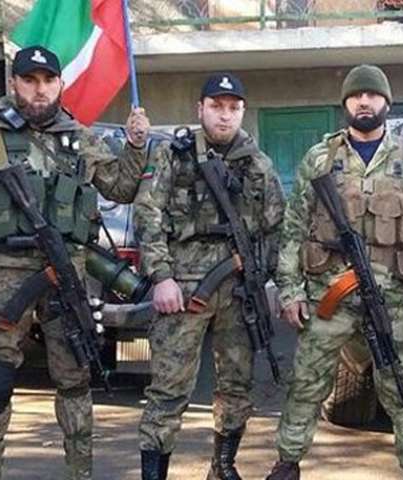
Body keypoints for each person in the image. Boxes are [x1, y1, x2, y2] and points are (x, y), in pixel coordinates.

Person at [0, 45, 150, 480]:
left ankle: (80, 472)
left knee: (75, 377)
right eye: (29, 80)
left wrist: (135, 145)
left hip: (66, 272)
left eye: (48, 81)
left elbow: (121, 188)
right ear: (14, 83)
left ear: (60, 84)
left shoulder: (81, 137)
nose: (40, 89)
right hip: (3, 270)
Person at [266, 64, 403, 480]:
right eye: (356, 95)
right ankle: (287, 464)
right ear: (345, 103)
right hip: (329, 293)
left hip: (392, 298)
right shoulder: (320, 159)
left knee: (402, 388)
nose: (364, 102)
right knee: (307, 383)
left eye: (373, 95)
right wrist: (290, 291)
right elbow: (293, 229)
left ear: (387, 103)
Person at [134, 72, 286, 480]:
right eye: (216, 106)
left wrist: (272, 283)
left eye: (233, 108)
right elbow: (147, 214)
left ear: (243, 112)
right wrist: (161, 276)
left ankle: (222, 466)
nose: (225, 115)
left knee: (236, 385)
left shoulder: (258, 164)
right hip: (183, 288)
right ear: (200, 109)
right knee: (169, 389)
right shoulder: (173, 154)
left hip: (239, 292)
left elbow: (278, 228)